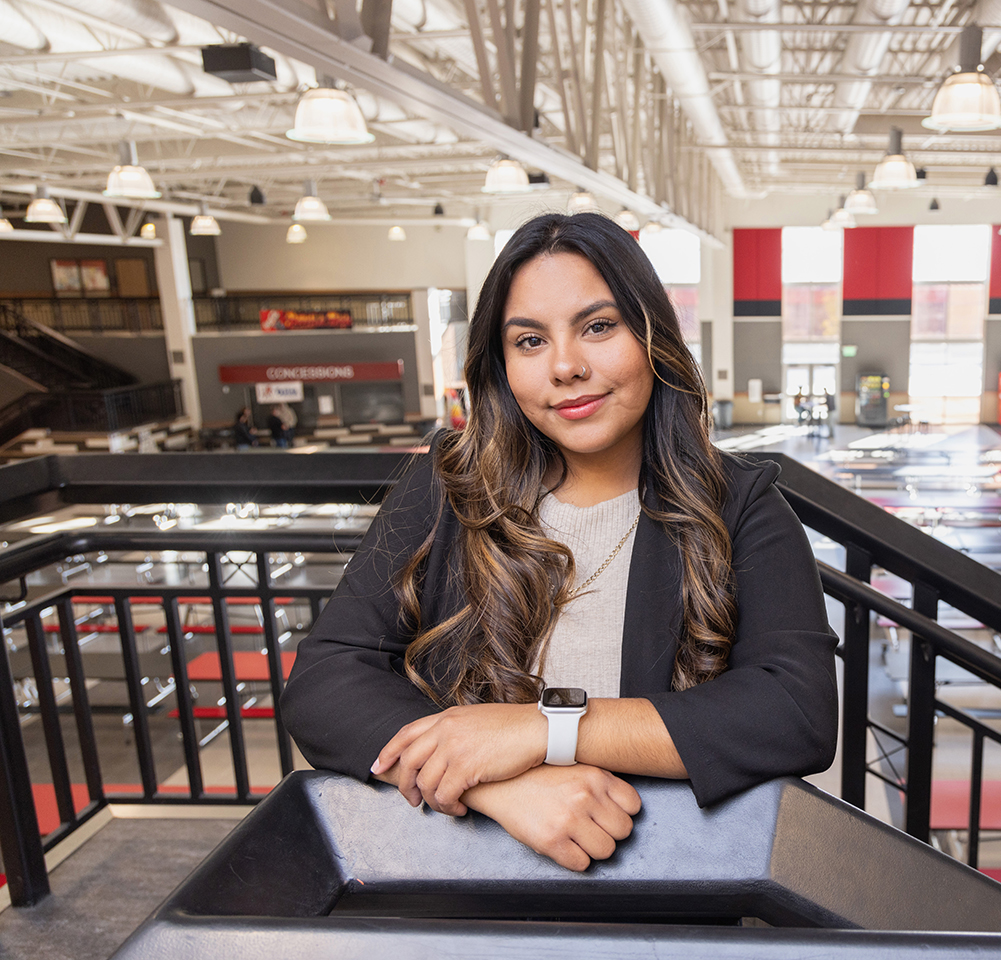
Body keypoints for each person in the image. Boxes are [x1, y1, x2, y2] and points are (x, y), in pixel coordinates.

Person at [281, 212, 837, 873]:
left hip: (661, 895)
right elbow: (324, 682)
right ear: (502, 361)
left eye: (598, 326)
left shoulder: (737, 505)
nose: (567, 367)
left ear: (651, 333)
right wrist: (497, 785)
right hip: (457, 888)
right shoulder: (449, 484)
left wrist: (544, 729)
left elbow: (795, 709)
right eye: (530, 340)